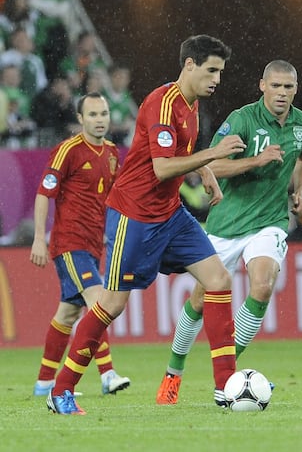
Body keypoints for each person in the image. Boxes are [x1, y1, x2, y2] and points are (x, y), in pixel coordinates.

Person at [46, 34, 245, 415]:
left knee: (218, 280)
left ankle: (227, 388)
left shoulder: (192, 102)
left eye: (220, 71)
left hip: (170, 214)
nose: (217, 79)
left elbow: (181, 153)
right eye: (211, 70)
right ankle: (61, 390)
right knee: (111, 304)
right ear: (189, 65)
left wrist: (206, 171)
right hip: (133, 216)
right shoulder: (162, 103)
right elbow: (162, 167)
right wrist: (214, 154)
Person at [156, 59, 302, 406]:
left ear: (295, 90)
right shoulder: (242, 120)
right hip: (225, 225)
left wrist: (299, 190)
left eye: (288, 87)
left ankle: (227, 379)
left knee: (261, 286)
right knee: (199, 301)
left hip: (269, 223)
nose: (281, 93)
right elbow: (211, 164)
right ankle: (173, 373)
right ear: (262, 86)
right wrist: (256, 161)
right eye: (275, 86)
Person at [30, 92, 130, 397]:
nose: (99, 120)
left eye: (103, 114)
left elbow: (114, 198)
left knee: (68, 314)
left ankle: (45, 382)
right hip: (69, 243)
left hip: (93, 245)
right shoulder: (68, 150)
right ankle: (107, 374)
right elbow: (43, 194)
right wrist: (38, 238)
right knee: (99, 303)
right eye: (93, 115)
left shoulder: (113, 152)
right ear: (80, 119)